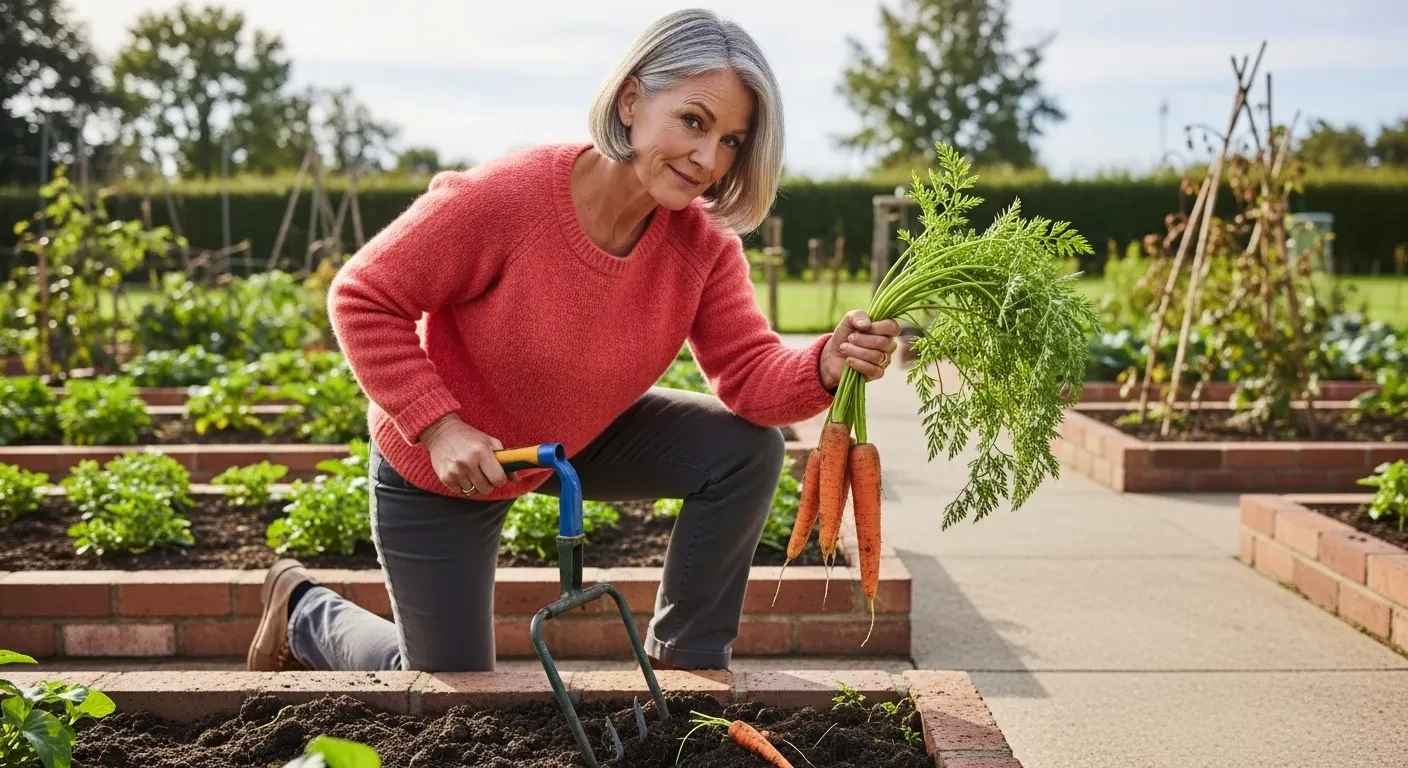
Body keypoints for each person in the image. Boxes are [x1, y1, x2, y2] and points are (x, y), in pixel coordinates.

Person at [245, 8, 900, 674]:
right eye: (694, 121)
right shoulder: (507, 199)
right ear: (630, 99)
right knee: (448, 688)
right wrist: (440, 427)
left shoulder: (701, 247)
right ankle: (302, 609)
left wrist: (824, 360)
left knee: (744, 451)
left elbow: (749, 374)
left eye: (733, 140)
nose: (709, 158)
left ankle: (688, 664)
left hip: (574, 439)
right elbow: (363, 294)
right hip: (446, 466)